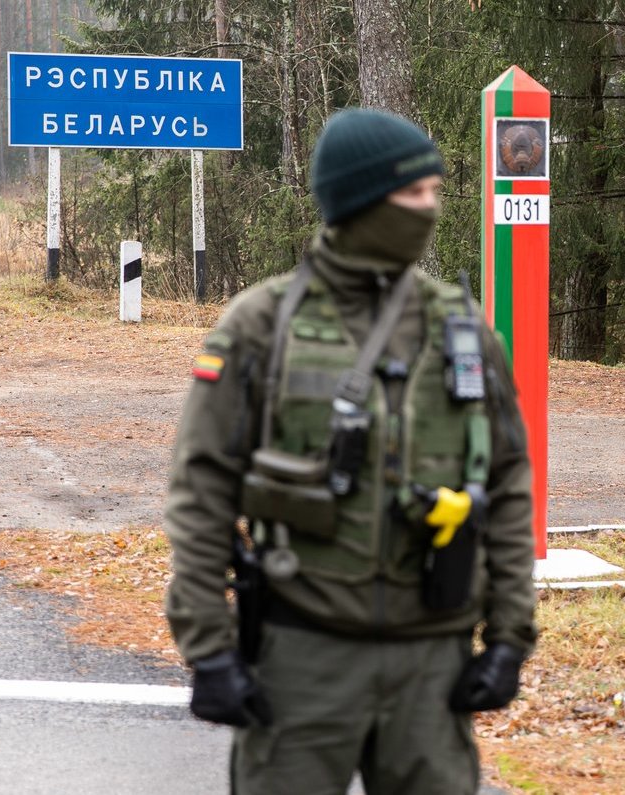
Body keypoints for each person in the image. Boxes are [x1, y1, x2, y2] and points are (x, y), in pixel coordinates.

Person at [162, 107, 538, 795]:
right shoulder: (263, 325)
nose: (431, 207)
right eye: (414, 192)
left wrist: (511, 635)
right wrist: (208, 646)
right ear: (364, 198)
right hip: (302, 657)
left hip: (431, 664)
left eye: (434, 191)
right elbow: (201, 490)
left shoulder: (461, 328)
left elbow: (508, 482)